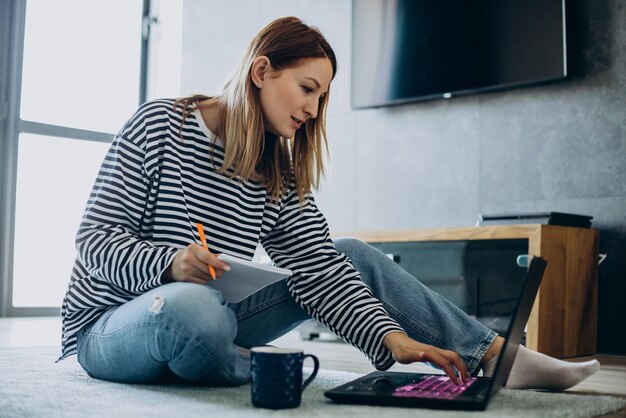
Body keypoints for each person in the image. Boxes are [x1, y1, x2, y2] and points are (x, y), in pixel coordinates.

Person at [59, 16, 599, 390]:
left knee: (349, 252)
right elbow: (93, 244)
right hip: (112, 325)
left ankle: (496, 358)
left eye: (322, 97)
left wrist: (391, 339)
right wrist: (169, 264)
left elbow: (321, 268)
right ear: (262, 71)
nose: (314, 111)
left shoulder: (278, 168)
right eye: (308, 89)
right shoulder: (160, 126)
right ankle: (238, 365)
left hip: (214, 320)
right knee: (193, 310)